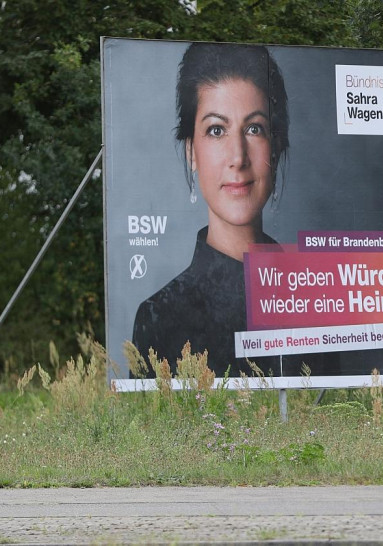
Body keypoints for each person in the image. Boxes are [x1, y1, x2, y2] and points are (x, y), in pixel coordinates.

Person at [132, 42, 338, 379]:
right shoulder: (159, 317)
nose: (238, 157)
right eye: (216, 130)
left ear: (276, 145)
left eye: (254, 129)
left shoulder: (317, 302)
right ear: (192, 152)